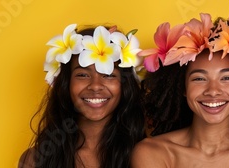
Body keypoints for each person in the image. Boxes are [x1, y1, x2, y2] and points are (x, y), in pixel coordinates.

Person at [132, 7, 229, 168]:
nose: (213, 91)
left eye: (227, 78)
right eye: (199, 78)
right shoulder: (151, 153)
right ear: (183, 88)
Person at [18, 24, 145, 168]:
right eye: (83, 75)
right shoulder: (35, 160)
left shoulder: (150, 157)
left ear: (125, 85)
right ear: (66, 84)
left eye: (109, 75)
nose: (95, 85)